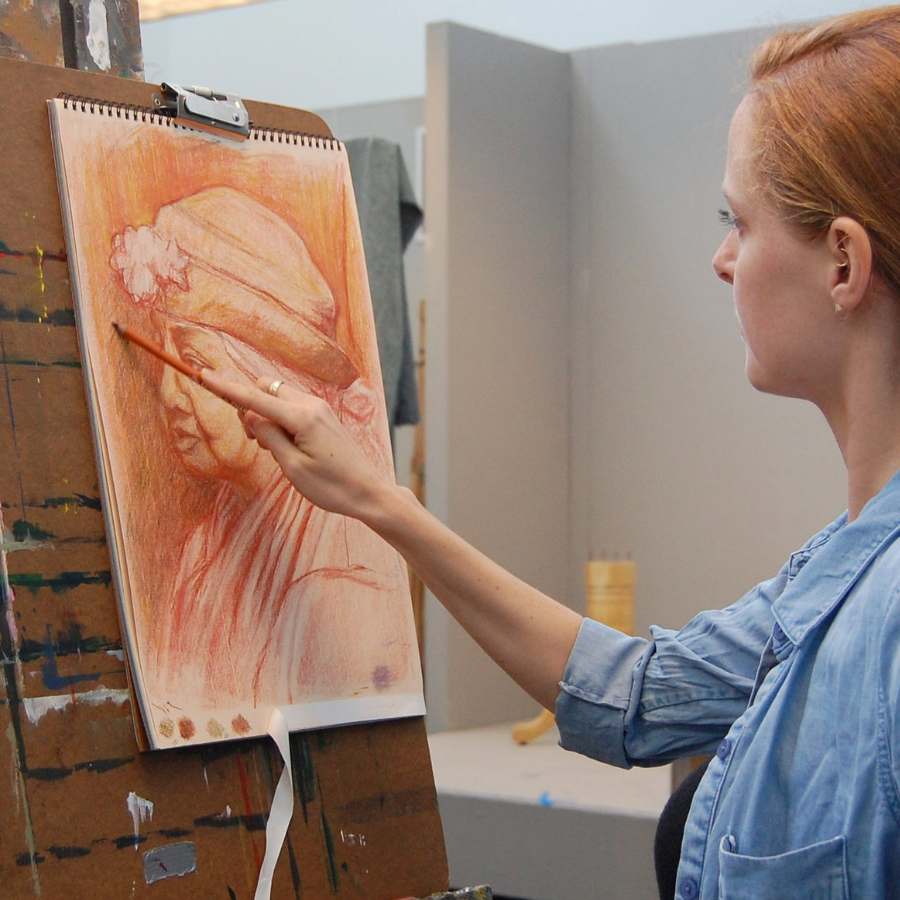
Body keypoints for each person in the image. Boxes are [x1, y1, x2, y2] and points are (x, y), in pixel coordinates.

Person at [202, 7, 900, 898]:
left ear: (843, 263)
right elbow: (638, 697)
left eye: (740, 221)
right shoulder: (839, 573)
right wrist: (379, 500)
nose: (723, 259)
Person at [110, 186, 420, 719]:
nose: (169, 394)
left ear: (268, 377)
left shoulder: (341, 588)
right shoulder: (204, 549)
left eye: (192, 364)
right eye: (165, 360)